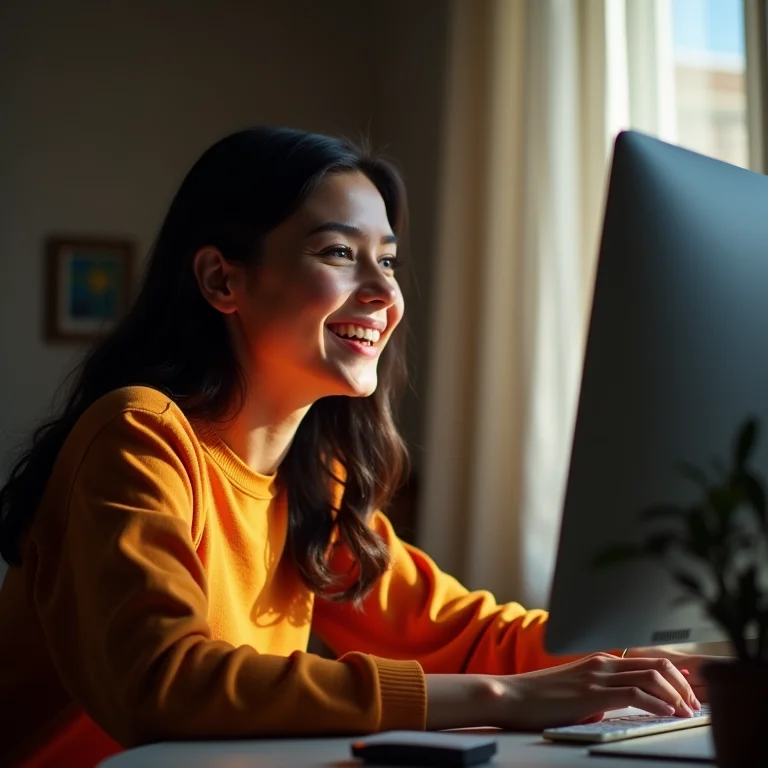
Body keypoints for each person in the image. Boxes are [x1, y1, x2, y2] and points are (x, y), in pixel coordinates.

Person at [0, 127, 713, 767]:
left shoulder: (313, 477)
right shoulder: (138, 436)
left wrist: (646, 663)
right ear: (224, 279)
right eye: (340, 253)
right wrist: (509, 696)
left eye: (389, 262)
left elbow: (460, 634)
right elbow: (167, 685)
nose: (383, 293)